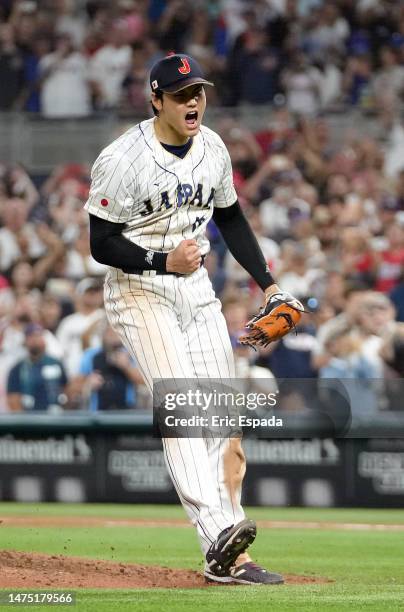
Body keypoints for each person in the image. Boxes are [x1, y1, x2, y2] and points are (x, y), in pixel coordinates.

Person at [84, 53, 300, 586]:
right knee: (183, 403)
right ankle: (220, 540)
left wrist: (269, 285)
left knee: (223, 412)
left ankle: (228, 547)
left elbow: (229, 217)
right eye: (181, 94)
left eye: (198, 92)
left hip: (195, 288)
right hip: (139, 288)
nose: (193, 102)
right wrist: (160, 261)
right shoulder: (123, 157)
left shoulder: (213, 148)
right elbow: (100, 242)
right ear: (156, 99)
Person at [7, 323, 68, 412]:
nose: (35, 339)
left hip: (54, 417)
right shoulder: (17, 368)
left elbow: (66, 389)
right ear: (25, 340)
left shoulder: (56, 363)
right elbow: (13, 399)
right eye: (31, 336)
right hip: (29, 419)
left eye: (38, 336)